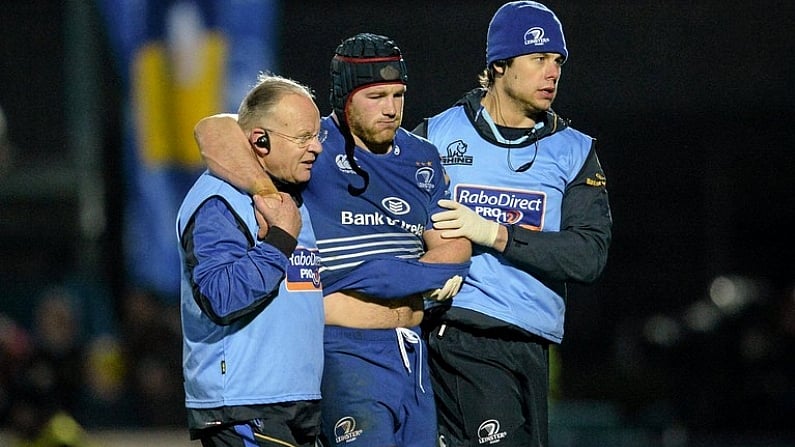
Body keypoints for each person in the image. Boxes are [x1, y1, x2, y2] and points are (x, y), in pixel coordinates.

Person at [194, 33, 472, 446]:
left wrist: (361, 277)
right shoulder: (311, 146)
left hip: (413, 353)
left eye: (398, 95)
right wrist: (266, 192)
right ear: (344, 97)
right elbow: (212, 130)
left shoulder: (422, 158)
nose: (392, 109)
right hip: (345, 353)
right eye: (376, 96)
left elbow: (455, 252)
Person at [412, 2, 613, 446]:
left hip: (532, 346)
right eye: (539, 58)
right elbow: (392, 224)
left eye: (557, 61)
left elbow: (587, 256)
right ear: (499, 64)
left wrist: (493, 233)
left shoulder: (574, 152)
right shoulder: (435, 137)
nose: (552, 72)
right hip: (464, 335)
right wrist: (424, 271)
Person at [176, 74, 325, 446]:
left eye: (316, 136)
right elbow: (220, 295)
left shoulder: (286, 195)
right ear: (260, 140)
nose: (316, 148)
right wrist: (279, 241)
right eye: (304, 138)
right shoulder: (219, 200)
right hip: (245, 405)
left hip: (290, 402)